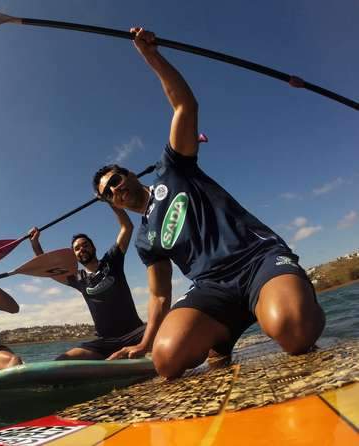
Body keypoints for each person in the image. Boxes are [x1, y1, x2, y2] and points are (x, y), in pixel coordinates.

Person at [92, 28, 325, 378]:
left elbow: (185, 104)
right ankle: (222, 335)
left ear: (130, 175)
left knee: (294, 332)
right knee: (166, 360)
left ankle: (295, 301)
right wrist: (145, 343)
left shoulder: (173, 169)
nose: (115, 190)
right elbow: (158, 298)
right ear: (112, 204)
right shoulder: (143, 240)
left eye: (116, 180)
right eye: (107, 193)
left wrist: (151, 56)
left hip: (257, 260)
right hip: (212, 288)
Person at [27, 205, 146, 360]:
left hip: (135, 333)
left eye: (85, 245)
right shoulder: (77, 278)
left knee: (161, 328)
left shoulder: (112, 260)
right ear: (74, 256)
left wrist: (110, 202)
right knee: (62, 360)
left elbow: (127, 227)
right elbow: (47, 267)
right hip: (105, 342)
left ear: (93, 247)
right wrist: (35, 244)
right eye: (77, 248)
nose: (81, 249)